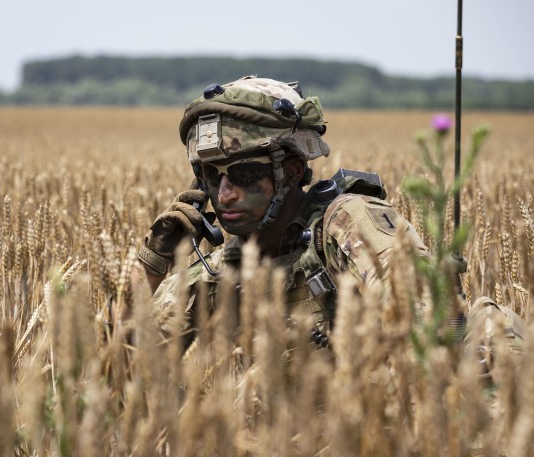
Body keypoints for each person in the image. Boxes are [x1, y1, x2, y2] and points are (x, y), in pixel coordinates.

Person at [136, 75, 524, 361]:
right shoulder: (222, 269)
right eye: (210, 177)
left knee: (492, 328)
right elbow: (114, 366)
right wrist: (154, 261)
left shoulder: (344, 223)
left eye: (243, 174)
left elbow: (424, 314)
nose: (224, 194)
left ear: (288, 170)